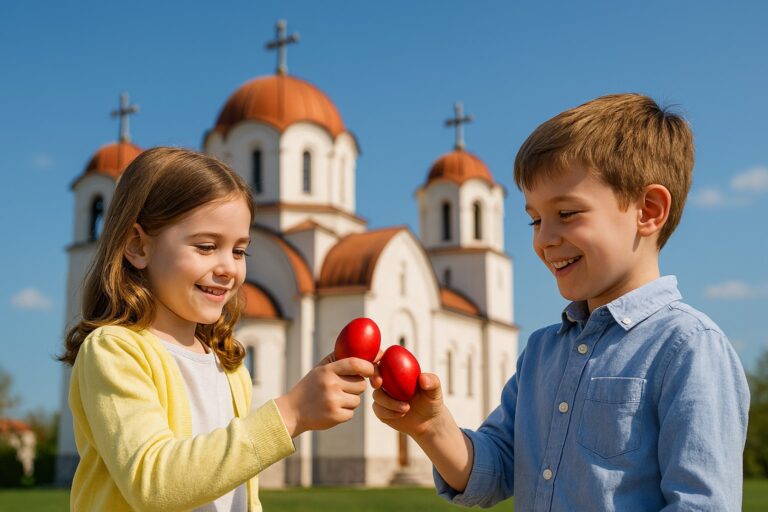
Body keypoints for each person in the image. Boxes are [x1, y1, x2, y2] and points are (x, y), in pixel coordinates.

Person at [371, 94, 750, 510]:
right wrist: (432, 428)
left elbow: (701, 503)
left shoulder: (688, 347)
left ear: (648, 210)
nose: (544, 238)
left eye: (566, 213)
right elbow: (495, 469)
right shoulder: (541, 352)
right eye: (535, 219)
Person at [60, 147, 374, 511]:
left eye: (239, 251)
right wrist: (290, 413)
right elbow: (152, 483)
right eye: (207, 246)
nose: (228, 268)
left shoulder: (228, 366)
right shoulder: (115, 350)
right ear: (137, 245)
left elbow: (240, 493)